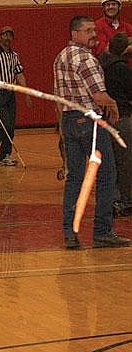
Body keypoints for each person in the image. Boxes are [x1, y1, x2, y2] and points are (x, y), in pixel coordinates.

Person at [53, 15, 131, 250]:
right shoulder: (86, 59)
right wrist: (113, 105)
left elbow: (58, 98)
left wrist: (62, 129)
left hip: (69, 119)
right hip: (90, 122)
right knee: (107, 176)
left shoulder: (60, 58)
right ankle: (102, 231)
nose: (93, 35)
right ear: (75, 33)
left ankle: (70, 232)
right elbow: (98, 96)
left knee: (75, 178)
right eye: (88, 31)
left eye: (93, 30)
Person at [0, 26, 31, 166]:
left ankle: (5, 154)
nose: (8, 38)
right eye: (5, 35)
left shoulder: (14, 56)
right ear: (0, 37)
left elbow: (19, 74)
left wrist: (26, 92)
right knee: (5, 124)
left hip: (10, 93)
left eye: (10, 35)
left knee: (10, 126)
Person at [99, 33, 132, 216]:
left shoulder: (100, 63)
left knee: (108, 161)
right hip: (121, 117)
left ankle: (111, 199)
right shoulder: (121, 68)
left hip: (103, 118)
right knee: (126, 161)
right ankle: (126, 200)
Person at [94, 0, 132, 69]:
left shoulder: (127, 26)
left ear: (119, 7)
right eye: (108, 5)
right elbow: (102, 50)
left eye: (114, 4)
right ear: (103, 8)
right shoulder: (97, 26)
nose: (111, 7)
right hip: (108, 69)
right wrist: (126, 48)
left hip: (126, 68)